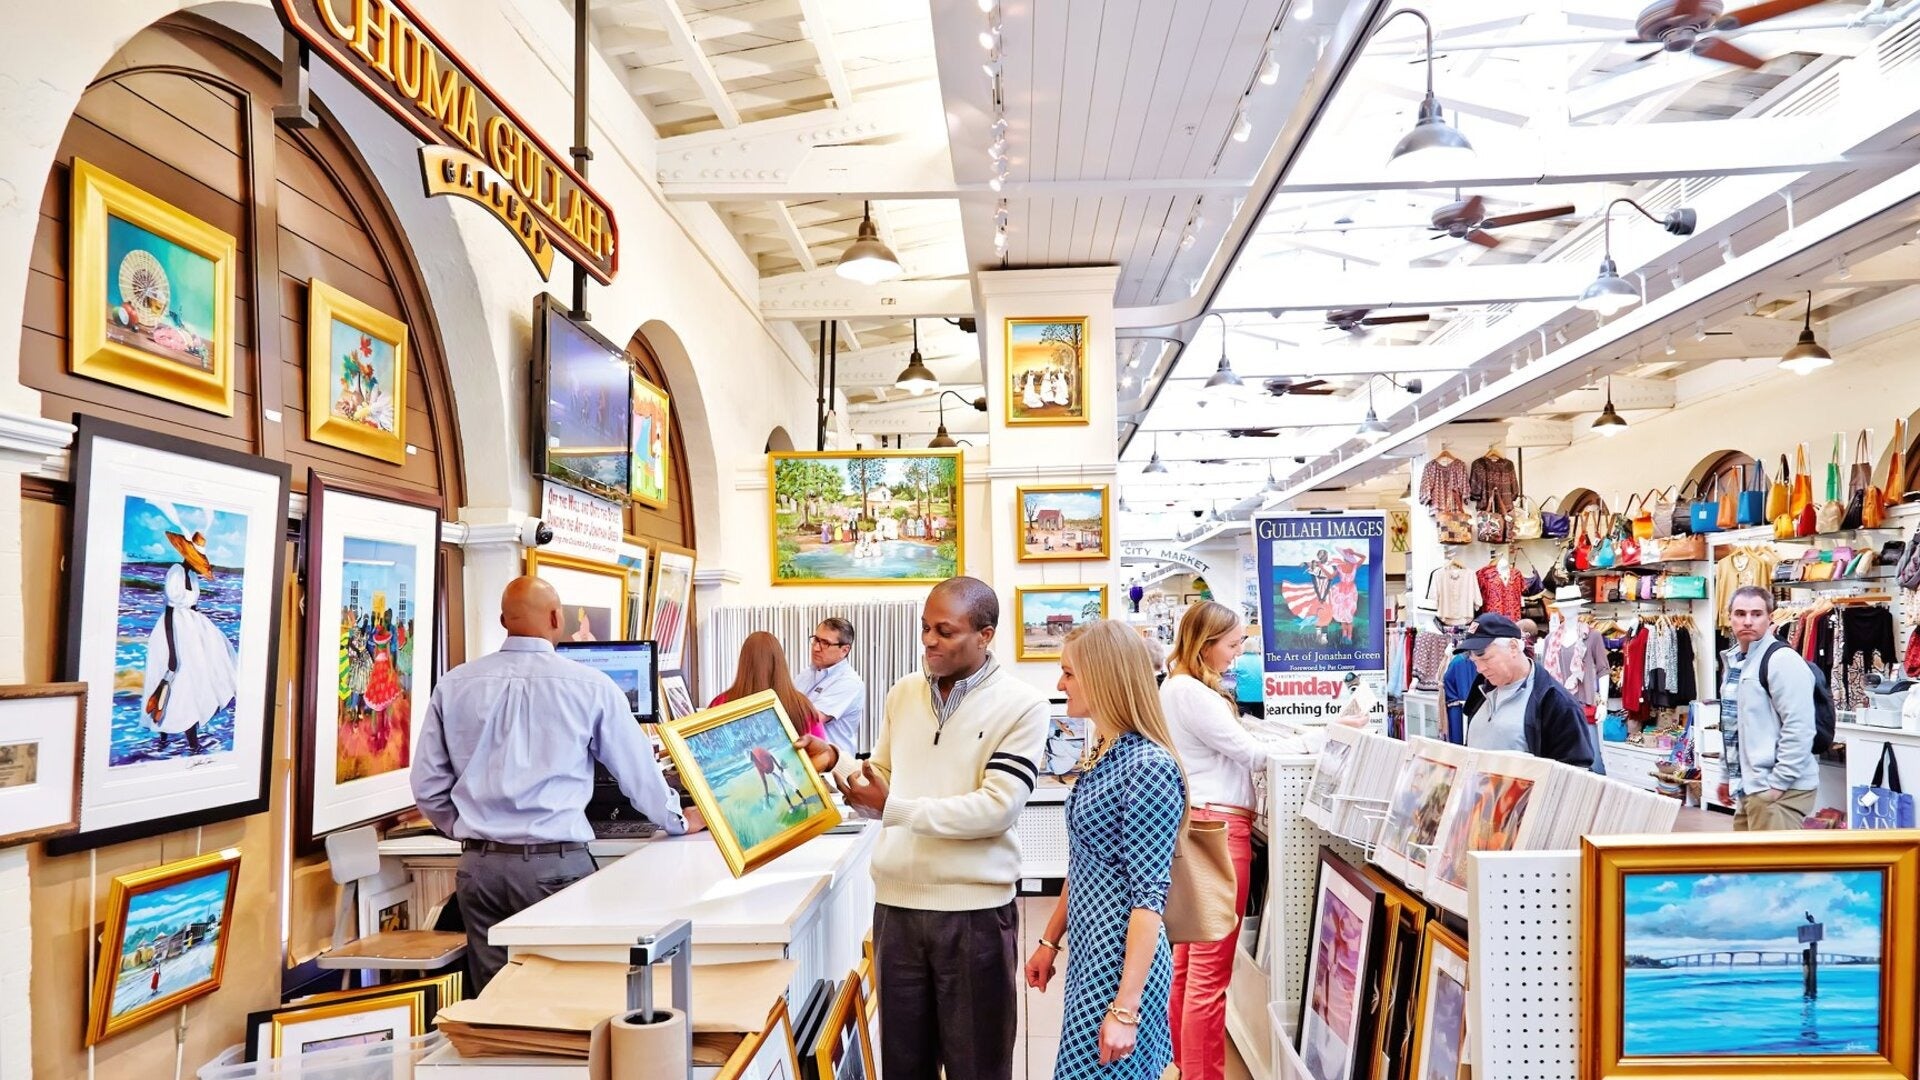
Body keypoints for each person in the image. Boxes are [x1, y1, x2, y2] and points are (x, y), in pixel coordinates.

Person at [796, 576, 1049, 1080]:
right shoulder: (904, 692)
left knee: (976, 1066)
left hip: (973, 916)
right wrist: (838, 761)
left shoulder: (1022, 704)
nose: (929, 641)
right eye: (925, 628)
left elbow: (997, 808)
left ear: (985, 635)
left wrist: (897, 809)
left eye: (945, 631)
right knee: (903, 1067)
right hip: (897, 911)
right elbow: (885, 778)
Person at [411, 576, 703, 991]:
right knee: (566, 993)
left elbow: (426, 784)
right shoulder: (591, 686)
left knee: (497, 1000)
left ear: (502, 621)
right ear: (555, 618)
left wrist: (465, 828)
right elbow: (638, 774)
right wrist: (678, 820)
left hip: (479, 871)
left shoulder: (455, 684)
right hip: (555, 868)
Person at [1159, 601, 1345, 1080]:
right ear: (1206, 644)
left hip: (1200, 826)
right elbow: (1251, 753)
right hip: (1219, 831)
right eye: (1234, 644)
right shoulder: (1191, 693)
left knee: (1189, 965)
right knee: (1208, 972)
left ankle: (1183, 1067)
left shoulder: (1179, 688)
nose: (1238, 655)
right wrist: (1319, 739)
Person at [1026, 621, 1186, 1080]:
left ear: (1103, 677)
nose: (1060, 684)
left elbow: (1148, 898)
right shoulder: (1106, 751)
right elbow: (1086, 862)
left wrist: (1126, 1009)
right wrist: (1048, 940)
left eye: (1069, 673)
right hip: (1092, 956)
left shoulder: (1148, 767)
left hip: (1119, 968)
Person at [1723, 585, 1818, 830]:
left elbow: (1800, 726)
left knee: (1777, 867)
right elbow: (1734, 727)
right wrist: (1727, 776)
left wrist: (1777, 785)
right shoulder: (1736, 662)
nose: (1747, 621)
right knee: (1746, 865)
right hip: (1751, 786)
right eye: (1740, 614)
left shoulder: (1781, 660)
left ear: (1770, 617)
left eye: (1756, 614)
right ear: (1729, 617)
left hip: (1778, 790)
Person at [1457, 614, 1602, 772]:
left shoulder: (1556, 703)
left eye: (1485, 659)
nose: (1480, 669)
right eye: (1474, 662)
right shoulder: (1482, 690)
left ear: (1513, 647)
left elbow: (1574, 774)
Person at [710, 631, 828, 740]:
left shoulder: (720, 703)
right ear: (780, 662)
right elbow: (822, 752)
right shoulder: (802, 706)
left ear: (744, 663)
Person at [804, 617, 867, 758]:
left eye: (825, 643)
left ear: (844, 650)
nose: (815, 647)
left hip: (834, 769)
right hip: (809, 758)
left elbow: (811, 720)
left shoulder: (849, 682)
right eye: (815, 639)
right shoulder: (806, 674)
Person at [1228, 631, 1264, 719]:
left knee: (1244, 725)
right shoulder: (1263, 661)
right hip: (1260, 699)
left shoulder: (1237, 661)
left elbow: (1229, 683)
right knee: (1261, 726)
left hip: (1243, 699)